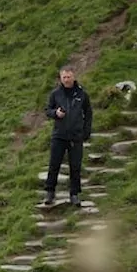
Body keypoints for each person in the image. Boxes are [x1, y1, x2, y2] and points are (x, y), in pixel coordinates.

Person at [42, 65, 93, 206]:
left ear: (73, 77)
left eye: (68, 76)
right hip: (59, 135)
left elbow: (88, 113)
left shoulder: (82, 94)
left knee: (75, 166)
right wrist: (55, 113)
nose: (66, 79)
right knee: (54, 164)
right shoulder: (55, 94)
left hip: (76, 135)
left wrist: (86, 131)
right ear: (60, 78)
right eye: (64, 77)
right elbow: (47, 110)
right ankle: (50, 192)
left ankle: (74, 194)